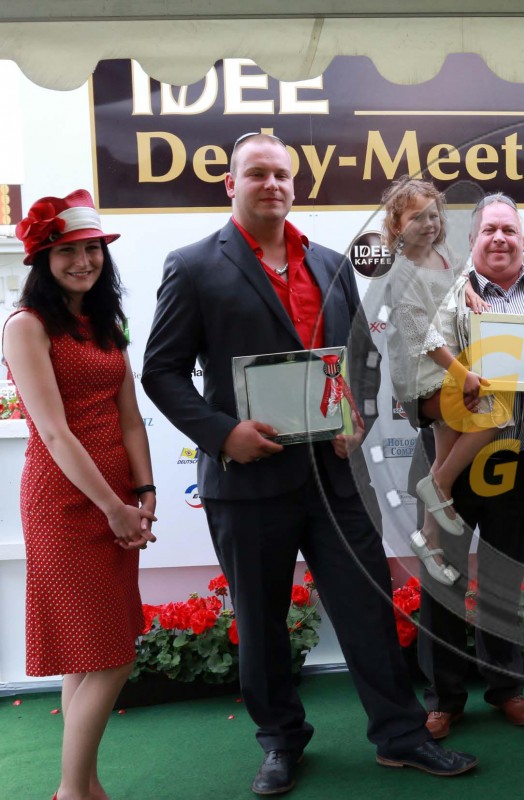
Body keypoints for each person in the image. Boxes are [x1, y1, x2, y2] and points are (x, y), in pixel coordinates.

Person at [141, 133, 475, 795]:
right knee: (262, 621)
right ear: (230, 184)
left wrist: (357, 417)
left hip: (334, 475)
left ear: (294, 185)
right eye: (257, 174)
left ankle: (401, 737)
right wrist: (223, 434)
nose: (272, 184)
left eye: (281, 175)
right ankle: (281, 742)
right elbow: (161, 371)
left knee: (368, 608)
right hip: (247, 479)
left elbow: (359, 357)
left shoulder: (327, 263)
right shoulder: (193, 266)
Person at [3, 190, 155, 800]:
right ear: (43, 259)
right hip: (63, 503)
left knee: (88, 655)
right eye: (68, 251)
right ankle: (72, 792)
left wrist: (143, 490)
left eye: (92, 249)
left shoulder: (104, 324)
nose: (83, 261)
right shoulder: (26, 325)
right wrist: (112, 507)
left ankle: (84, 784)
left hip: (117, 496)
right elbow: (55, 433)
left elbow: (130, 419)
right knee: (112, 656)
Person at [416, 193, 524, 741]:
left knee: (504, 580)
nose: (500, 238)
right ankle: (443, 697)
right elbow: (411, 373)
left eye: (509, 229)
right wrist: (447, 397)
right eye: (490, 230)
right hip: (453, 464)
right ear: (472, 240)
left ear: (522, 238)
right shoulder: (443, 291)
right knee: (444, 578)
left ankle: (505, 687)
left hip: (522, 466)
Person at [379, 176, 504, 585]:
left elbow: (460, 278)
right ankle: (436, 486)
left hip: (453, 362)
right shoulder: (401, 272)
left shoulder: (446, 253)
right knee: (494, 415)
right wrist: (463, 374)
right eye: (417, 217)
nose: (429, 224)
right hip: (427, 371)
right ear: (397, 225)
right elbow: (422, 336)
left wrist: (468, 290)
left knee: (445, 453)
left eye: (434, 215)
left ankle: (427, 540)